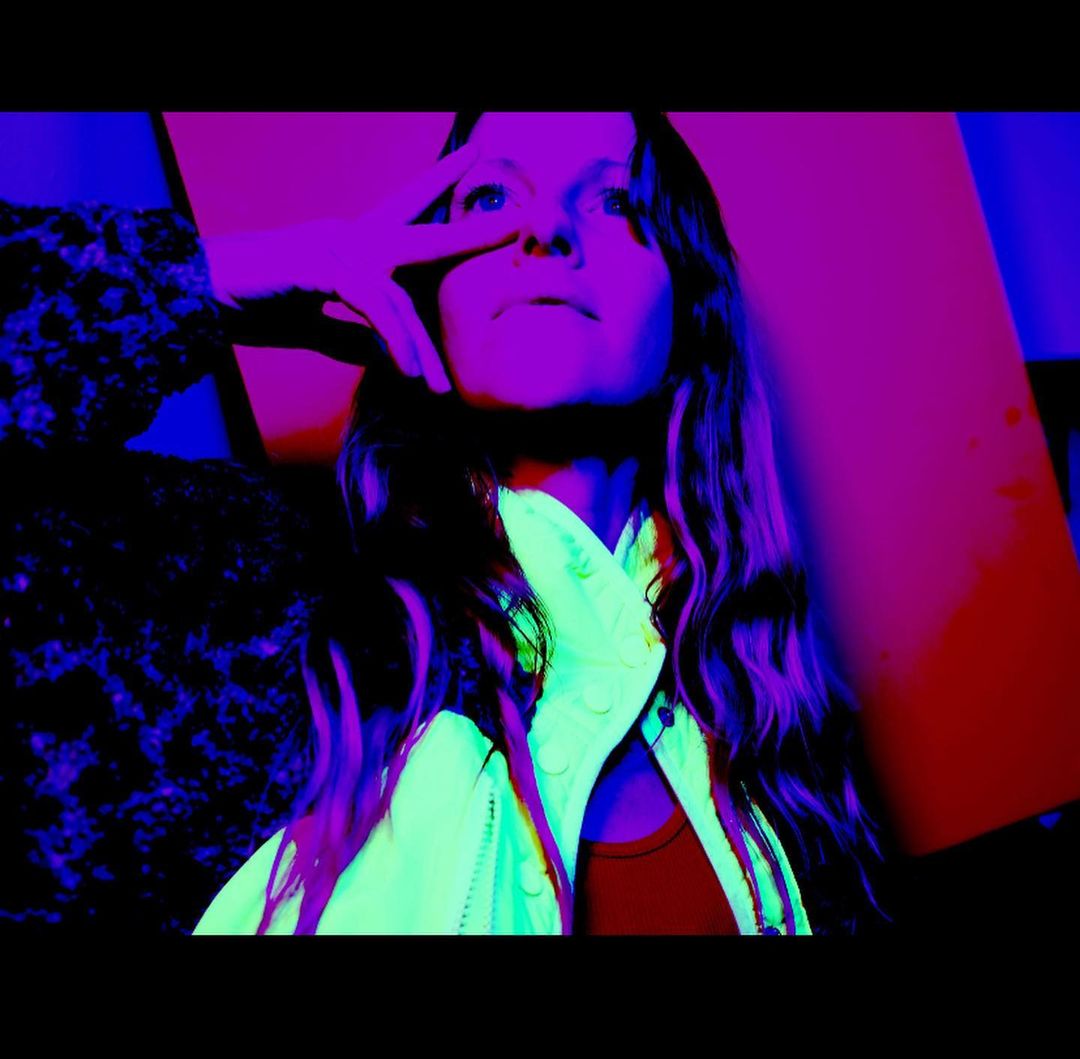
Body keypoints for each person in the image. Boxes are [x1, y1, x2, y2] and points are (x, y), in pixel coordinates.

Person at [0, 111, 896, 935]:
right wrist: (211, 281)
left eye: (617, 201)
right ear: (430, 294)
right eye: (492, 198)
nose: (546, 232)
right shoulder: (249, 611)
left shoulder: (771, 723)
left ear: (687, 314)